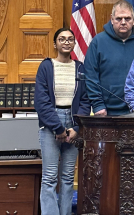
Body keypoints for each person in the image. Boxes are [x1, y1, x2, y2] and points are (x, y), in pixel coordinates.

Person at [35, 28, 90, 215]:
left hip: (73, 122)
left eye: (70, 39)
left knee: (67, 178)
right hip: (51, 123)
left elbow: (85, 100)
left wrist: (75, 128)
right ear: (55, 44)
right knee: (50, 177)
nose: (66, 42)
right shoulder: (46, 67)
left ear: (74, 43)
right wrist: (58, 128)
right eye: (62, 39)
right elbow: (41, 102)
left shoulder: (80, 67)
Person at [84, 0, 134, 116]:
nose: (123, 22)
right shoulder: (98, 42)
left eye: (127, 18)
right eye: (119, 18)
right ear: (112, 19)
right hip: (106, 112)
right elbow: (90, 76)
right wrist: (98, 104)